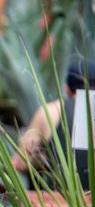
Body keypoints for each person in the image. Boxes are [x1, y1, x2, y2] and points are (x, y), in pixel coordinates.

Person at [12, 60, 93, 191]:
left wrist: (44, 160)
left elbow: (21, 163)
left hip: (59, 200)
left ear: (67, 89)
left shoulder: (51, 111)